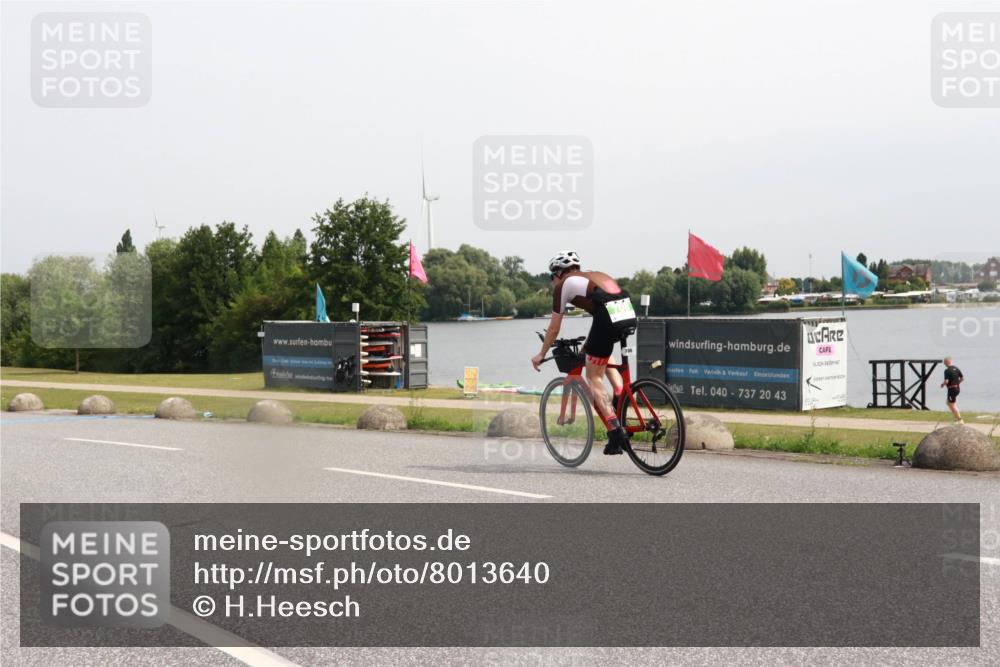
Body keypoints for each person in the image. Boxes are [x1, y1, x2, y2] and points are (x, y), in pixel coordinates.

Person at [531, 251, 638, 455]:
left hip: (606, 316)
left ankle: (615, 431)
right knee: (599, 353)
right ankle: (619, 393)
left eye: (551, 276)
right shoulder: (594, 274)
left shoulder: (564, 285)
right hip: (627, 312)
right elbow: (603, 309)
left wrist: (540, 354)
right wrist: (588, 345)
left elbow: (553, 328)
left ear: (558, 273)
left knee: (592, 376)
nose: (553, 281)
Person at [939, 356, 964, 424]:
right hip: (957, 389)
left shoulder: (947, 370)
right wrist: (957, 383)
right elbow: (962, 378)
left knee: (952, 404)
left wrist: (942, 384)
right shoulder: (957, 369)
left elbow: (946, 381)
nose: (944, 364)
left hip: (952, 389)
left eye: (944, 363)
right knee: (949, 403)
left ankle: (959, 420)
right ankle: (956, 418)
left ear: (947, 362)